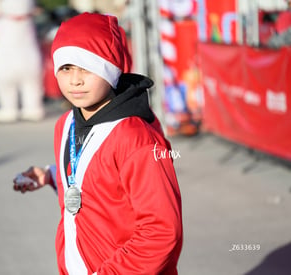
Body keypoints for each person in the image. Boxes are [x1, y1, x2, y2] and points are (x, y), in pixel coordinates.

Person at [13, 12, 183, 274]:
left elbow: (161, 231)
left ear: (111, 70)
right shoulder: (66, 124)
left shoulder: (136, 138)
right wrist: (52, 175)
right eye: (66, 67)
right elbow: (97, 180)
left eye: (87, 67)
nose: (75, 79)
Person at [0, 0, 45, 123]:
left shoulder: (3, 22)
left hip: (6, 63)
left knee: (6, 88)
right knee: (32, 86)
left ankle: (9, 110)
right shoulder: (28, 22)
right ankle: (33, 109)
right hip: (30, 61)